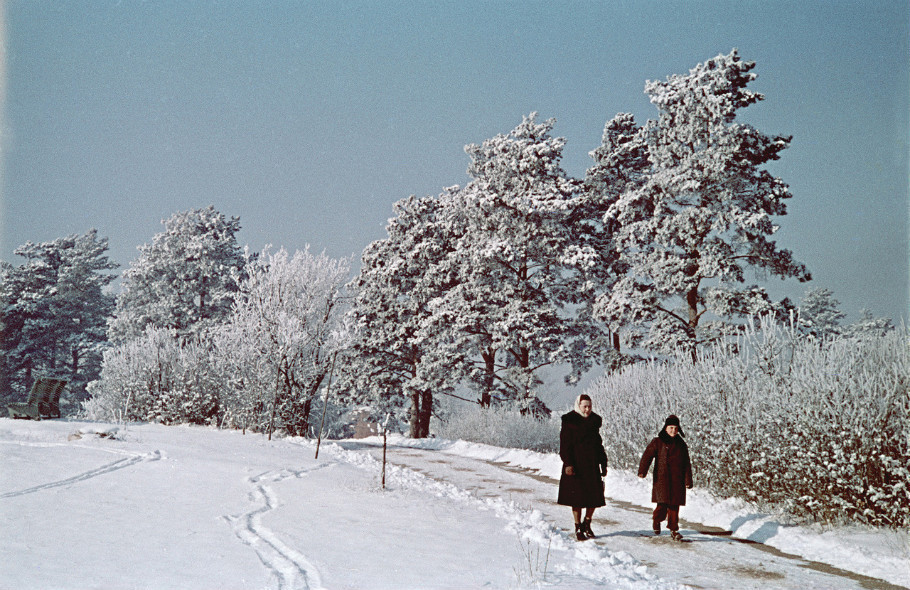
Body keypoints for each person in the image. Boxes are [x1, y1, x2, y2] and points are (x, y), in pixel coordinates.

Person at [557, 394, 608, 541]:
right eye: (584, 406)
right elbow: (564, 445)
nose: (587, 409)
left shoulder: (594, 422)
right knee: (577, 499)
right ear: (578, 406)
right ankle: (578, 526)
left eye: (589, 406)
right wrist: (568, 463)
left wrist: (603, 463)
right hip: (575, 465)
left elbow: (598, 445)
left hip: (591, 465)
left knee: (594, 498)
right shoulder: (569, 421)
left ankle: (587, 522)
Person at [638, 414, 693, 541]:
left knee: (674, 506)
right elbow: (647, 456)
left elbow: (686, 463)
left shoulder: (681, 444)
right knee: (662, 506)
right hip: (662, 479)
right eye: (671, 427)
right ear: (665, 428)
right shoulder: (658, 441)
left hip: (677, 480)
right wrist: (642, 470)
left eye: (675, 428)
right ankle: (657, 520)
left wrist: (688, 480)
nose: (673, 430)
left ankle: (674, 530)